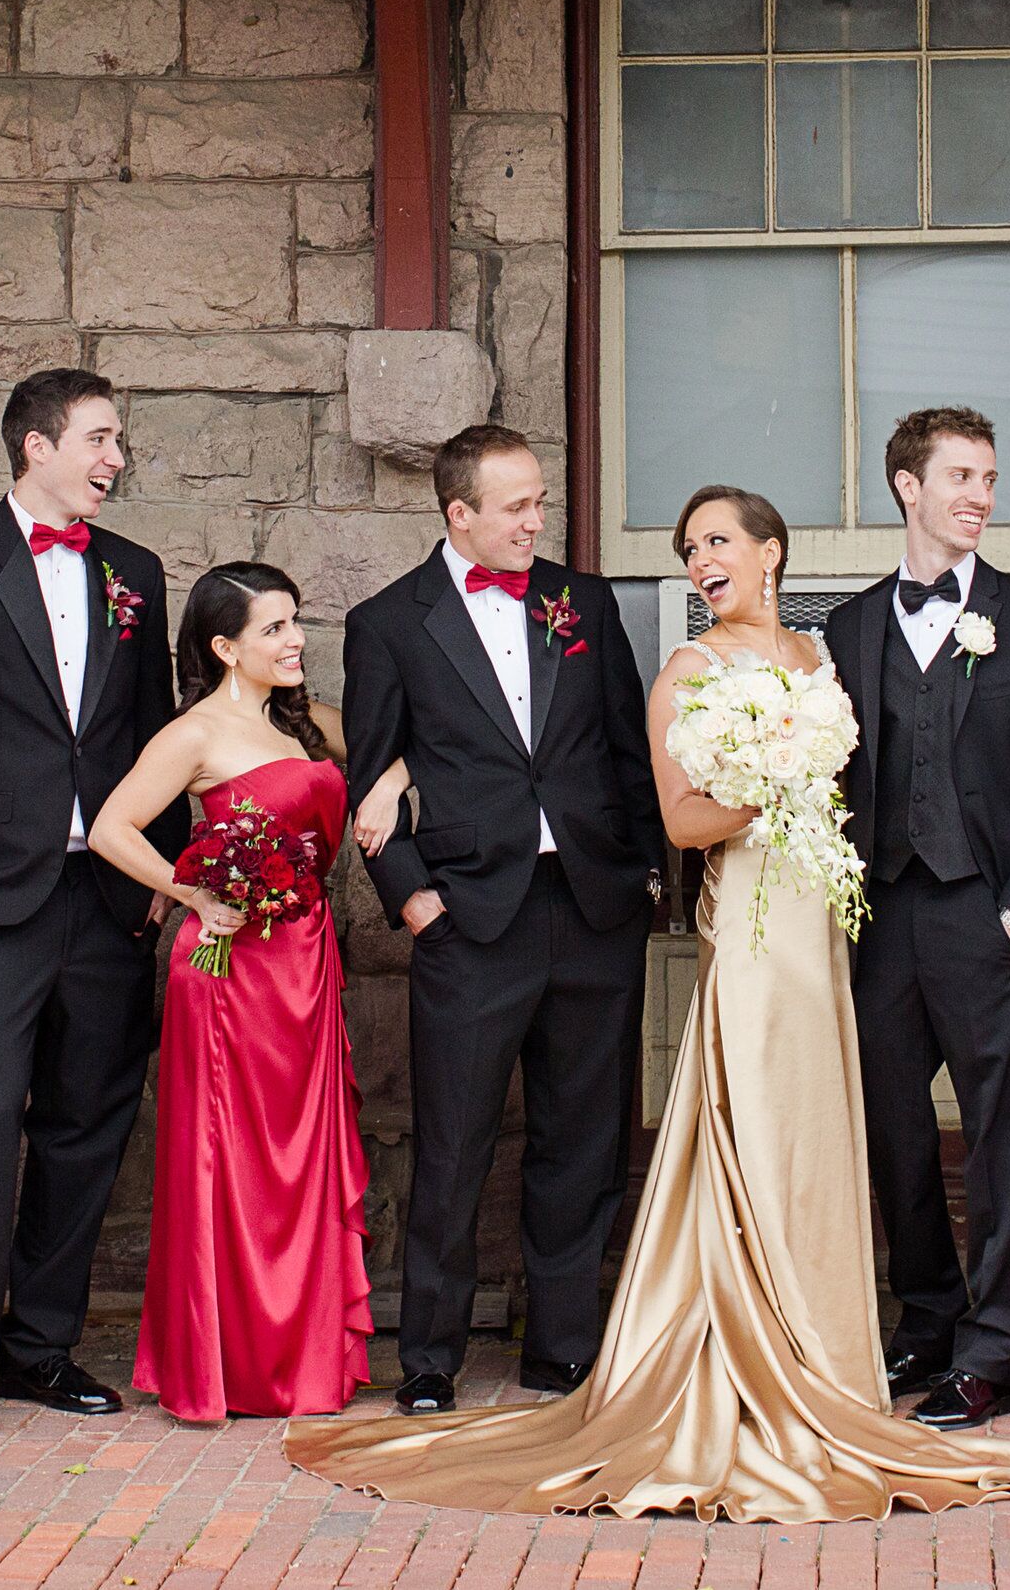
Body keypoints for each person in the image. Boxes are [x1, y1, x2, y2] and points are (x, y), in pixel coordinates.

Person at [292, 490, 1010, 1518]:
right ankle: (702, 1345)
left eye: (716, 543)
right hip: (744, 924)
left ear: (771, 552)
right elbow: (681, 820)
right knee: (729, 1119)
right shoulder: (686, 670)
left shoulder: (824, 658)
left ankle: (821, 1352)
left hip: (821, 924)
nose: (697, 561)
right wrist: (772, 785)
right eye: (687, 549)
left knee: (814, 1132)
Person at [332, 423, 661, 1417]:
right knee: (453, 1143)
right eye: (515, 505)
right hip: (469, 919)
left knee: (581, 1138)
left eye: (539, 502)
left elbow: (622, 743)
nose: (536, 520)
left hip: (591, 909)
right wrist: (415, 900)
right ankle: (428, 1355)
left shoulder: (580, 601)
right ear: (457, 514)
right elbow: (372, 778)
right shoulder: (389, 622)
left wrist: (643, 875)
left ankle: (558, 1345)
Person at [0, 368, 175, 1432]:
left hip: (103, 902)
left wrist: (154, 885)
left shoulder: (135, 571)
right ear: (35, 447)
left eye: (116, 440)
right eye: (99, 438)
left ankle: (40, 1348)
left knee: (86, 1126)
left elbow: (159, 738)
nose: (114, 458)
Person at [823, 407, 1010, 1429]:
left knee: (993, 1136)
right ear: (906, 486)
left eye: (987, 478)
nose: (978, 496)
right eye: (959, 477)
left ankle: (991, 1349)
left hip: (985, 914)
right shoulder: (849, 628)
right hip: (882, 914)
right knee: (891, 1132)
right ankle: (926, 1316)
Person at [86, 563, 375, 1425]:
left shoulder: (310, 724)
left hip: (307, 963)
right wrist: (191, 894)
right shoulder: (195, 733)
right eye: (274, 629)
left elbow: (398, 752)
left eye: (295, 624)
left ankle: (302, 1357)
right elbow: (110, 827)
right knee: (235, 1163)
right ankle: (229, 1363)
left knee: (301, 1160)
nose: (294, 642)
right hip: (230, 974)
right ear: (224, 647)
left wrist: (390, 785)